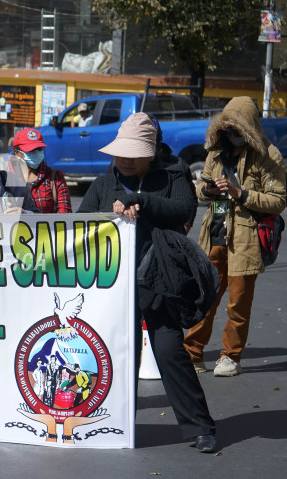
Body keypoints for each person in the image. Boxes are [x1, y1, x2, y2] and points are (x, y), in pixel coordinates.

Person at [77, 112, 217, 453]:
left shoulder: (174, 175)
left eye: (133, 154)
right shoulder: (103, 183)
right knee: (112, 357)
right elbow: (78, 226)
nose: (124, 160)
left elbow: (184, 210)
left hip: (159, 281)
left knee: (169, 351)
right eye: (120, 153)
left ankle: (200, 427)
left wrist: (142, 201)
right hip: (111, 286)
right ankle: (109, 425)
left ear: (151, 153)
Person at [183, 96, 286, 377]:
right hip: (213, 234)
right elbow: (199, 188)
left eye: (237, 131)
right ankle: (193, 354)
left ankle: (231, 356)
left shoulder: (269, 155)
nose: (231, 136)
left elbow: (278, 200)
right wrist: (209, 191)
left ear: (249, 129)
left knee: (237, 304)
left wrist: (241, 193)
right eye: (227, 131)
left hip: (246, 239)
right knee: (204, 299)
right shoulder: (215, 153)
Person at [10, 127, 72, 213]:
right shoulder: (5, 178)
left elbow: (65, 215)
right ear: (17, 153)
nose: (36, 153)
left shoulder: (56, 177)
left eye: (39, 149)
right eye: (31, 150)